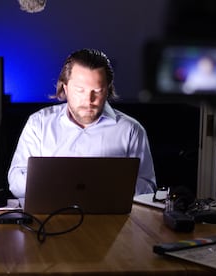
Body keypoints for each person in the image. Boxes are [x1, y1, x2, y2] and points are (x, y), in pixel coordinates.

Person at [8, 48, 157, 201]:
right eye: (80, 90)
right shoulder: (38, 124)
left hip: (111, 220)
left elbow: (147, 187)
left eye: (97, 91)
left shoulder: (131, 130)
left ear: (108, 90)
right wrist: (59, 183)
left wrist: (103, 186)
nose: (88, 99)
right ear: (65, 88)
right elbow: (15, 182)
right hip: (49, 220)